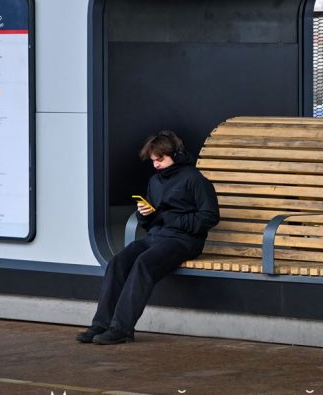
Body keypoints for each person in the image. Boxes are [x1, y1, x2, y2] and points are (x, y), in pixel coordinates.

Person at [76, 130, 220, 344]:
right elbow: (155, 221)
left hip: (185, 240)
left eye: (160, 159)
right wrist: (146, 216)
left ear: (176, 155)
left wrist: (170, 219)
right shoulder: (155, 181)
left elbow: (209, 217)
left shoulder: (195, 179)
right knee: (118, 262)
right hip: (157, 236)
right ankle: (101, 324)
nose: (156, 165)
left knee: (144, 263)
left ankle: (122, 328)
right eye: (153, 160)